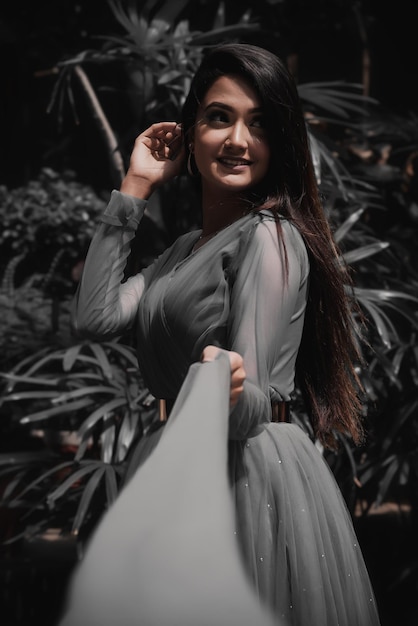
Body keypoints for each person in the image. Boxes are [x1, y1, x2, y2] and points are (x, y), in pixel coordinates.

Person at [60, 43, 381, 625]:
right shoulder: (183, 251)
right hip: (173, 457)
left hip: (244, 473)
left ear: (279, 142)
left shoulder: (271, 237)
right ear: (190, 131)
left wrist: (227, 386)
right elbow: (95, 318)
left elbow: (250, 408)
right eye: (219, 117)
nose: (237, 140)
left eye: (259, 124)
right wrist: (135, 186)